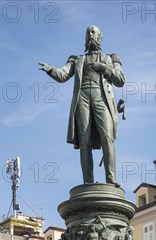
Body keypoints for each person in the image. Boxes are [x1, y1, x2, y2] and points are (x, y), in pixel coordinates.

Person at [39, 25, 125, 185]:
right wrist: (50, 69)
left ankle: (111, 179)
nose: (90, 35)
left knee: (107, 137)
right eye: (88, 32)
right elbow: (63, 75)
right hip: (82, 98)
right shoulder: (78, 59)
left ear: (100, 37)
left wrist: (105, 69)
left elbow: (120, 80)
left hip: (101, 98)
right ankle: (88, 182)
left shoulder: (110, 58)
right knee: (84, 141)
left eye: (93, 32)